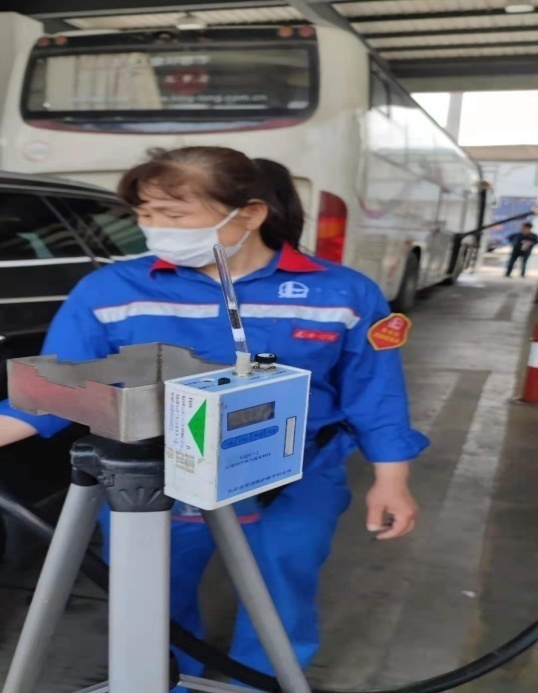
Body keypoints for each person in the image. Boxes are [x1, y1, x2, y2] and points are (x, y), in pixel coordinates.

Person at [0, 147, 428, 682]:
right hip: (155, 475)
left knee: (281, 587)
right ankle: (168, 679)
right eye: (145, 214)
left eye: (174, 215)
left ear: (250, 214)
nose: (155, 228)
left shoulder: (342, 292)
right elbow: (51, 393)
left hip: (296, 474)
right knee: (152, 596)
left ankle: (261, 681)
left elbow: (374, 391)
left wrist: (392, 478)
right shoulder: (111, 290)